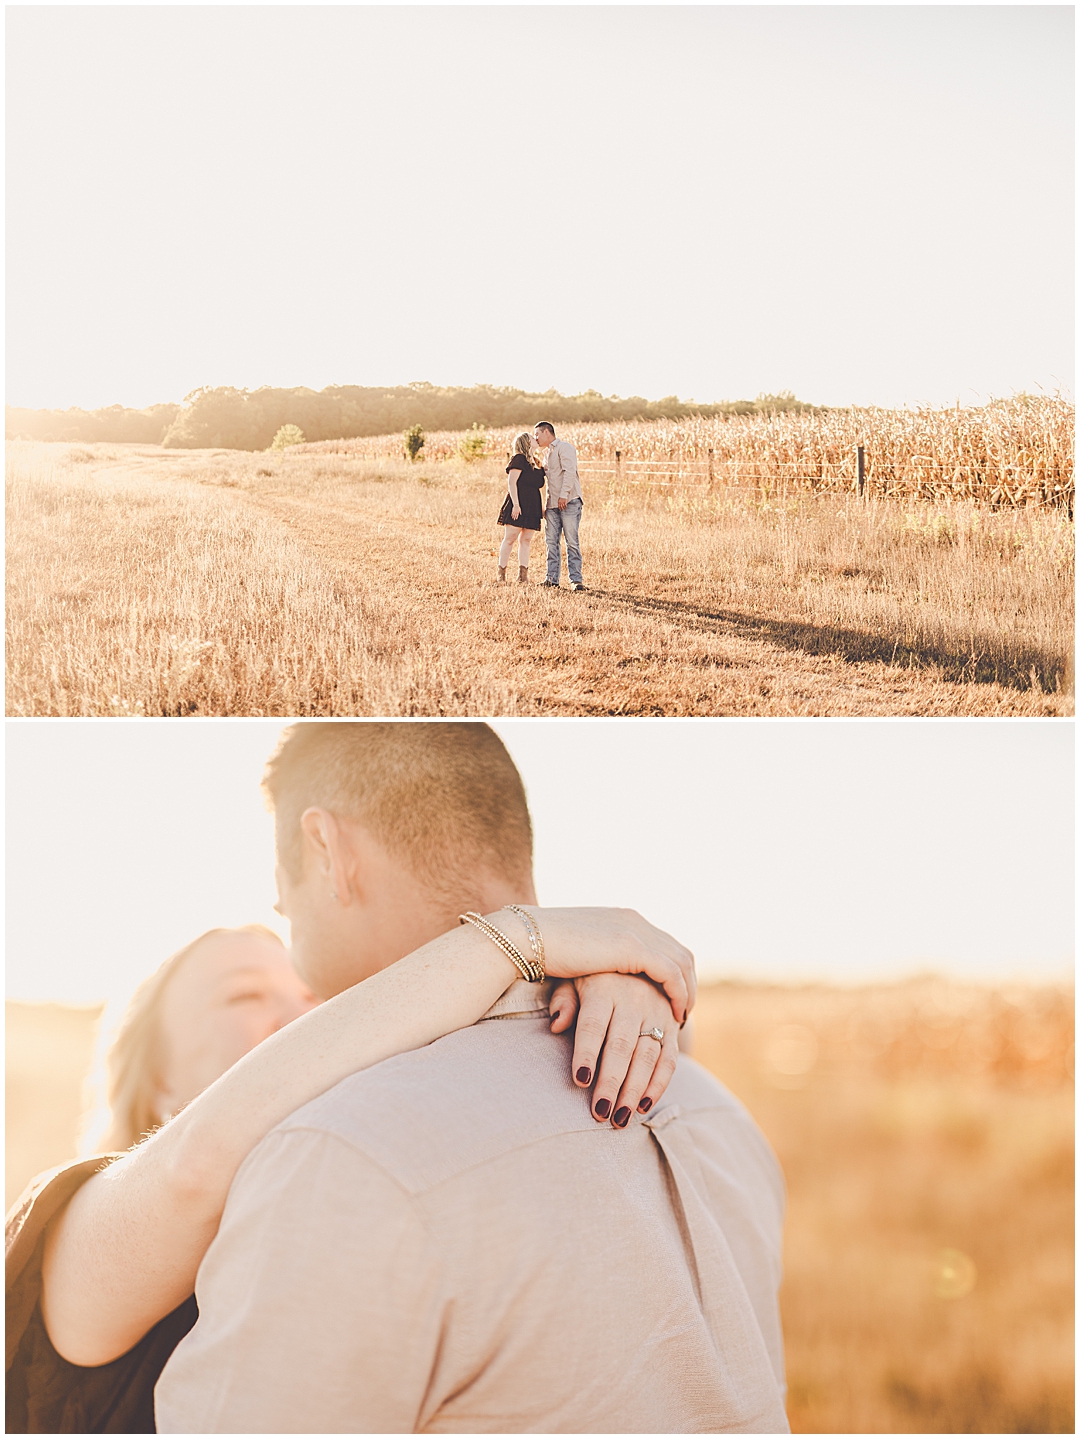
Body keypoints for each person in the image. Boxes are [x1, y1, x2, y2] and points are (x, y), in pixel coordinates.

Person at [6, 736, 694, 1432]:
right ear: (153, 1078)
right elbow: (194, 1162)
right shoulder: (83, 1226)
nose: (304, 1016)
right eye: (243, 995)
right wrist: (519, 938)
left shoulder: (355, 1171)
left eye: (311, 997)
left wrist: (612, 987)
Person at [154, 721, 789, 1433]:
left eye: (281, 883)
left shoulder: (339, 1156)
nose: (280, 909)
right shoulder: (716, 1110)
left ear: (327, 851)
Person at [534, 419, 586, 590]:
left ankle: (576, 581)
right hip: (552, 505)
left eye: (537, 434)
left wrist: (563, 495)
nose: (536, 439)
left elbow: (570, 472)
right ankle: (551, 579)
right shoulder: (546, 453)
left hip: (568, 501)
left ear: (546, 432)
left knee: (571, 541)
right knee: (551, 542)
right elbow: (549, 479)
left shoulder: (565, 448)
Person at [496, 431, 545, 584]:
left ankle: (522, 577)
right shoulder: (519, 459)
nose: (535, 438)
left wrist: (541, 508)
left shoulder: (536, 462)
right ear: (526, 442)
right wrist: (516, 505)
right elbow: (511, 483)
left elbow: (538, 487)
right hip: (518, 503)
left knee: (526, 540)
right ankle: (501, 575)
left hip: (533, 506)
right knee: (510, 539)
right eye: (532, 437)